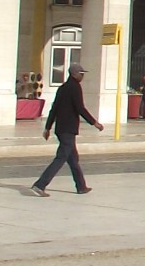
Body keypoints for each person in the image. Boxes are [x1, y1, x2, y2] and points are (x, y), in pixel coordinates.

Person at [30, 63, 100, 196]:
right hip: (68, 129)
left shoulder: (62, 88)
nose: (82, 76)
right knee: (61, 157)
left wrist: (48, 127)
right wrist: (94, 123)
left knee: (73, 159)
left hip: (61, 128)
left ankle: (81, 186)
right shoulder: (75, 87)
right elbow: (80, 108)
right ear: (74, 74)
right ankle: (40, 185)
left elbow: (54, 108)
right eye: (81, 74)